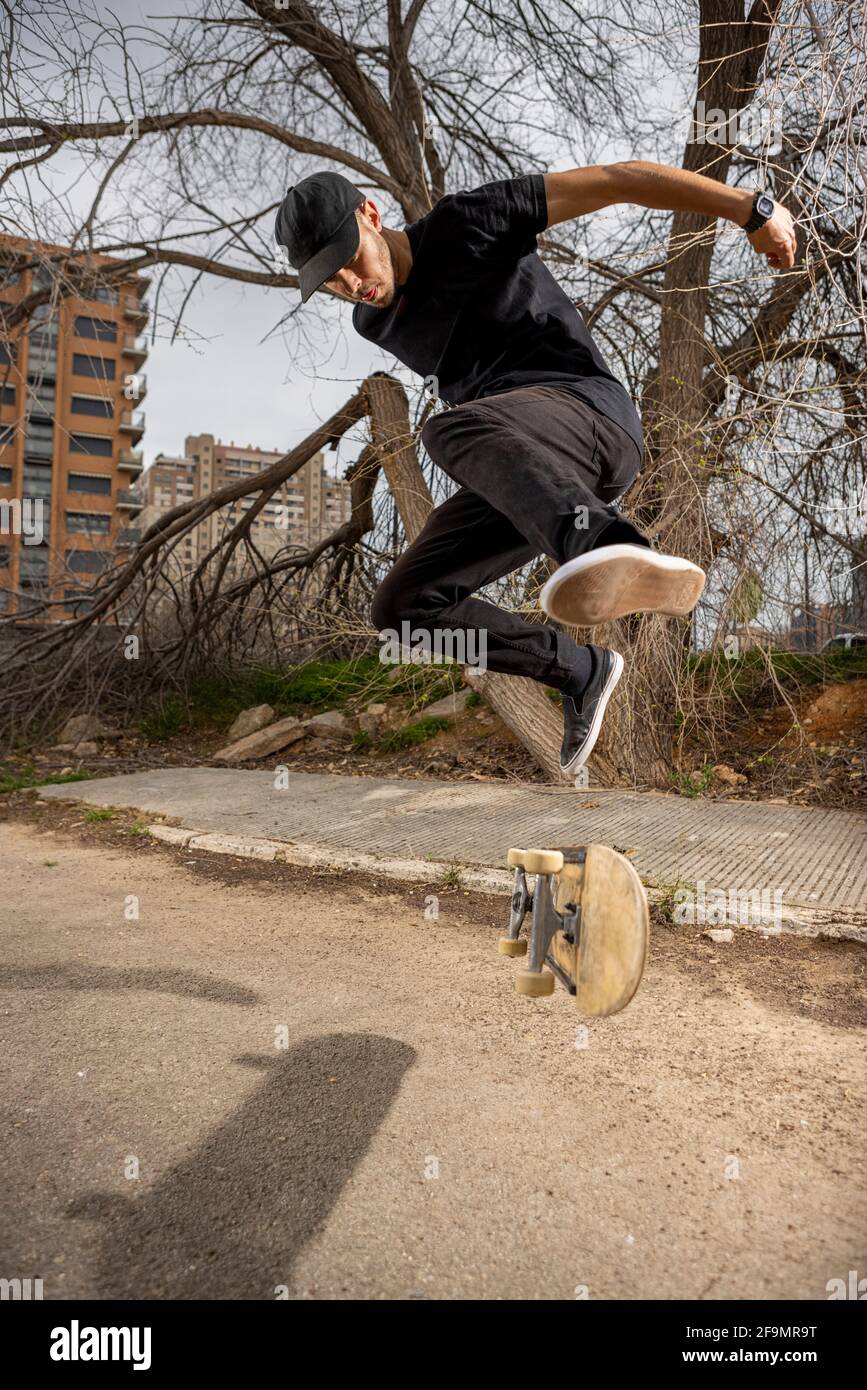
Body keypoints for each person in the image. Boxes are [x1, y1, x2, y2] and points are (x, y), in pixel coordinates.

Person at [274, 164, 796, 773]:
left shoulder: (468, 223)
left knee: (451, 426)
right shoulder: (374, 321)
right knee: (403, 608)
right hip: (527, 471)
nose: (350, 283)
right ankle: (579, 670)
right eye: (328, 280)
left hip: (592, 419)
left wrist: (750, 210)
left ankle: (606, 541)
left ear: (371, 215)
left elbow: (615, 180)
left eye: (349, 259)